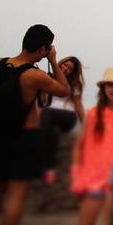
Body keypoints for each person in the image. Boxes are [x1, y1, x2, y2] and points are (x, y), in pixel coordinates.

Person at [0, 24, 70, 225]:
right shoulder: (34, 76)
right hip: (25, 138)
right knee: (17, 194)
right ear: (43, 49)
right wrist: (53, 61)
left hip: (0, 134)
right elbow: (63, 90)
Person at [72, 67, 113, 225]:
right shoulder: (92, 115)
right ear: (103, 88)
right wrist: (77, 178)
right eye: (111, 85)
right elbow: (79, 146)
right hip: (94, 182)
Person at [40, 56, 86, 184]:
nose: (65, 69)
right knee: (53, 131)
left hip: (67, 115)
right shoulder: (48, 78)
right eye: (65, 65)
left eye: (69, 69)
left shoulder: (74, 84)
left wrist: (87, 127)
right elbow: (42, 102)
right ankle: (49, 169)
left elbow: (78, 105)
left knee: (47, 113)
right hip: (48, 117)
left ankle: (41, 158)